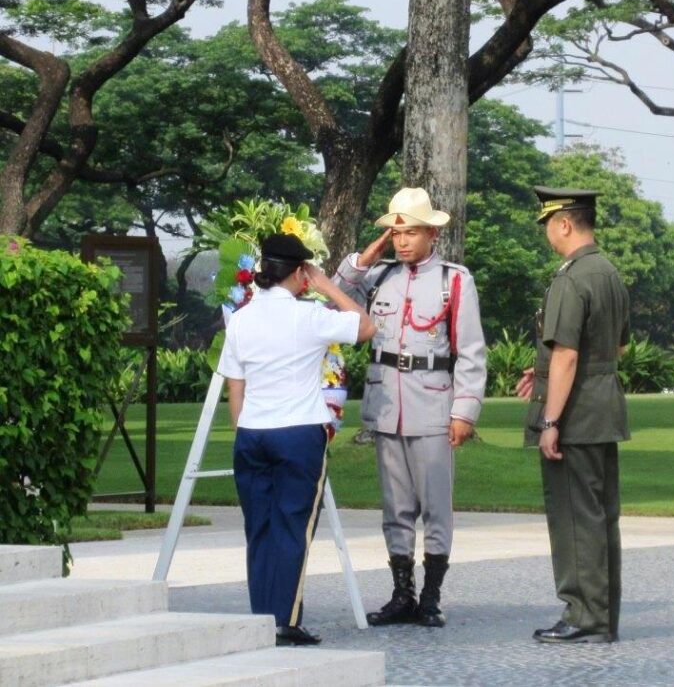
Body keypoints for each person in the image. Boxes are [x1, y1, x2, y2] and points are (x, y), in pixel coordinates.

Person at [333, 187, 487, 627]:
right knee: (394, 505)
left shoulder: (453, 280)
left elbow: (472, 352)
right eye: (395, 233)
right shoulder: (378, 277)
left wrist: (464, 413)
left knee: (435, 505)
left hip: (433, 406)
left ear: (431, 235)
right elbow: (333, 298)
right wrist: (363, 259)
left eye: (411, 232)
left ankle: (432, 597)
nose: (401, 242)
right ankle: (403, 595)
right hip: (387, 406)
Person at [217, 233, 376, 646]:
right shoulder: (309, 316)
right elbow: (366, 325)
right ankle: (285, 621)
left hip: (252, 433)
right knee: (292, 527)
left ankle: (262, 621)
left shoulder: (242, 319)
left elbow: (236, 384)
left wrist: (243, 429)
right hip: (298, 432)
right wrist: (327, 285)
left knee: (260, 528)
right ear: (300, 273)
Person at [516, 186, 630, 644]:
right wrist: (545, 368)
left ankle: (583, 616)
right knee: (601, 519)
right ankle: (602, 617)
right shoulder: (608, 273)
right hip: (603, 408)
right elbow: (616, 346)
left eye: (547, 225)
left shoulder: (571, 278)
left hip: (576, 415)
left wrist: (550, 421)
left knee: (574, 519)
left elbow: (565, 356)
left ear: (564, 223)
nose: (547, 233)